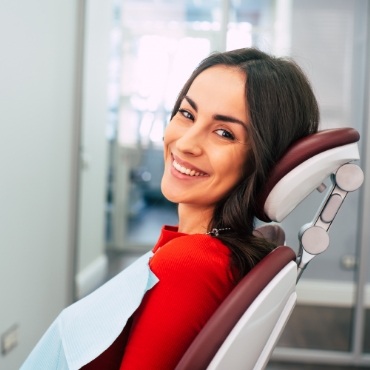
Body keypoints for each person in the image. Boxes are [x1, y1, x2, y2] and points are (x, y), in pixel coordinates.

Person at [21, 47, 319, 370]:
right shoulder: (207, 252)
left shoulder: (190, 265)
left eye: (224, 133)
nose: (186, 143)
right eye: (187, 114)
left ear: (264, 159)